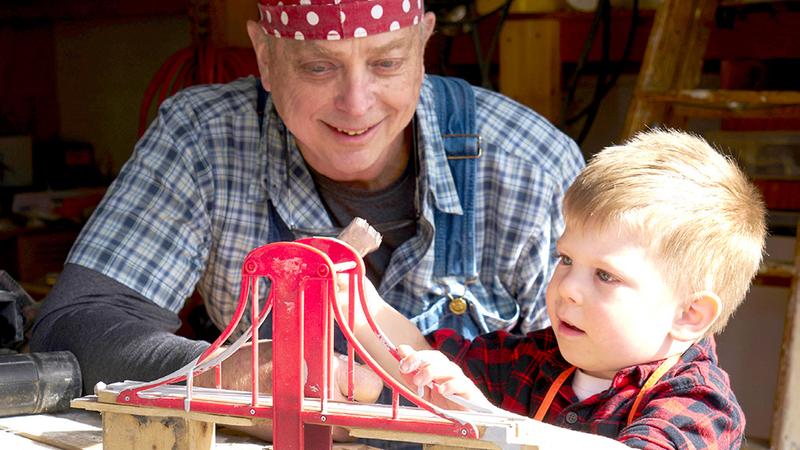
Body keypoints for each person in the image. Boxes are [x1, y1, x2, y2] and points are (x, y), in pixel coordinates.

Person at [30, 0, 583, 407]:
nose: (357, 104)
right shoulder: (204, 139)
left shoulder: (530, 167)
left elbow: (610, 386)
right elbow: (74, 326)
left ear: (422, 44)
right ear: (266, 57)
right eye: (319, 67)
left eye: (387, 63)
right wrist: (232, 371)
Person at [340, 129, 766, 448]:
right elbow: (420, 361)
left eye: (605, 275)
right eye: (566, 260)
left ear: (689, 315)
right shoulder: (538, 359)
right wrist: (353, 297)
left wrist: (489, 420)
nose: (568, 289)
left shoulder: (698, 404)